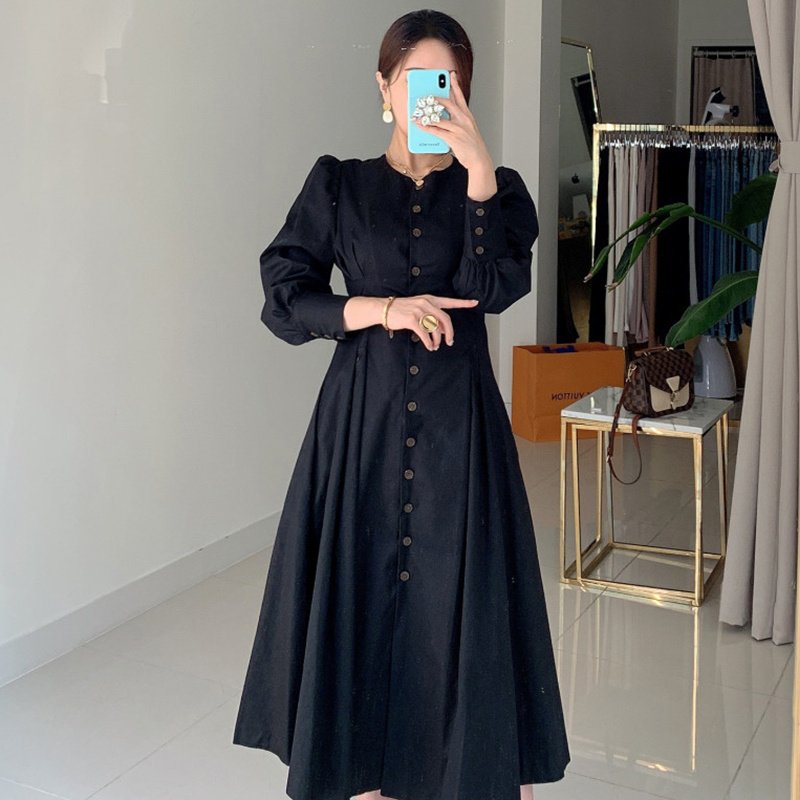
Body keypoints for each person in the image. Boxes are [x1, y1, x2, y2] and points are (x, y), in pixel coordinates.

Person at [232, 10, 570, 800]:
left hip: (462, 427)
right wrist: (381, 309)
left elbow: (492, 290)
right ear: (384, 87)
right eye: (414, 80)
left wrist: (477, 171)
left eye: (446, 83)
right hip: (363, 423)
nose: (429, 97)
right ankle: (363, 775)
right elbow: (285, 296)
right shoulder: (340, 185)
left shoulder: (499, 192)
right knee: (360, 597)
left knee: (459, 600)